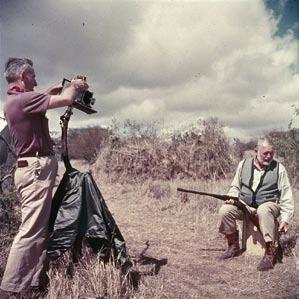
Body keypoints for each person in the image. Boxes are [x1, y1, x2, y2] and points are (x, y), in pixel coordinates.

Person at [0, 57, 88, 297]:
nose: (36, 80)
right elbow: (67, 99)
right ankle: (9, 290)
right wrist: (76, 86)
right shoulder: (24, 100)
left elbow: (45, 94)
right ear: (22, 77)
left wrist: (57, 88)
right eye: (33, 76)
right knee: (31, 230)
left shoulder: (18, 100)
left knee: (39, 228)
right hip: (35, 169)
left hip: (35, 169)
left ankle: (33, 282)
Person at [218, 138, 294, 271]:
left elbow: (286, 195)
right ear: (256, 151)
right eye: (265, 153)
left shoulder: (279, 168)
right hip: (245, 206)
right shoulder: (243, 164)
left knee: (264, 210)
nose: (269, 156)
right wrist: (232, 198)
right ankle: (233, 246)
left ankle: (271, 253)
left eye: (271, 153)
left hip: (269, 206)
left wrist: (286, 219)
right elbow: (235, 186)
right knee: (225, 210)